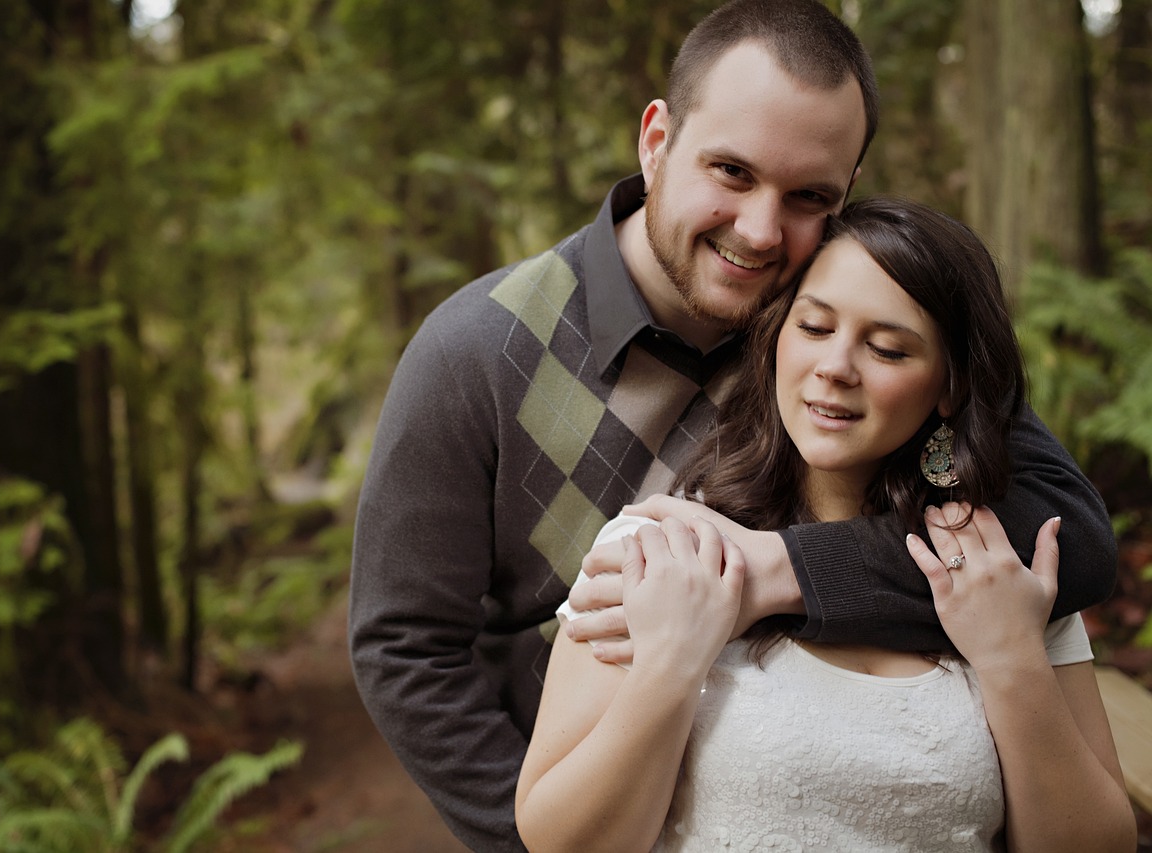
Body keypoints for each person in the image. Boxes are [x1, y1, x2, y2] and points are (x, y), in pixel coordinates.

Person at [348, 2, 1117, 849]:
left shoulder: (848, 317)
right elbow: (405, 647)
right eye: (731, 171)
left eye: (807, 195)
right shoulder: (476, 352)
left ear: (846, 194)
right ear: (655, 140)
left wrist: (779, 569)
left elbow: (1065, 538)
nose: (759, 230)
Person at [516, 197, 1136, 852]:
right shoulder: (664, 550)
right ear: (776, 337)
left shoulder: (1000, 571)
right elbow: (563, 841)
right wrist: (670, 662)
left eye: (888, 349)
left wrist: (1012, 659)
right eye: (814, 328)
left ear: (949, 385)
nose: (836, 367)